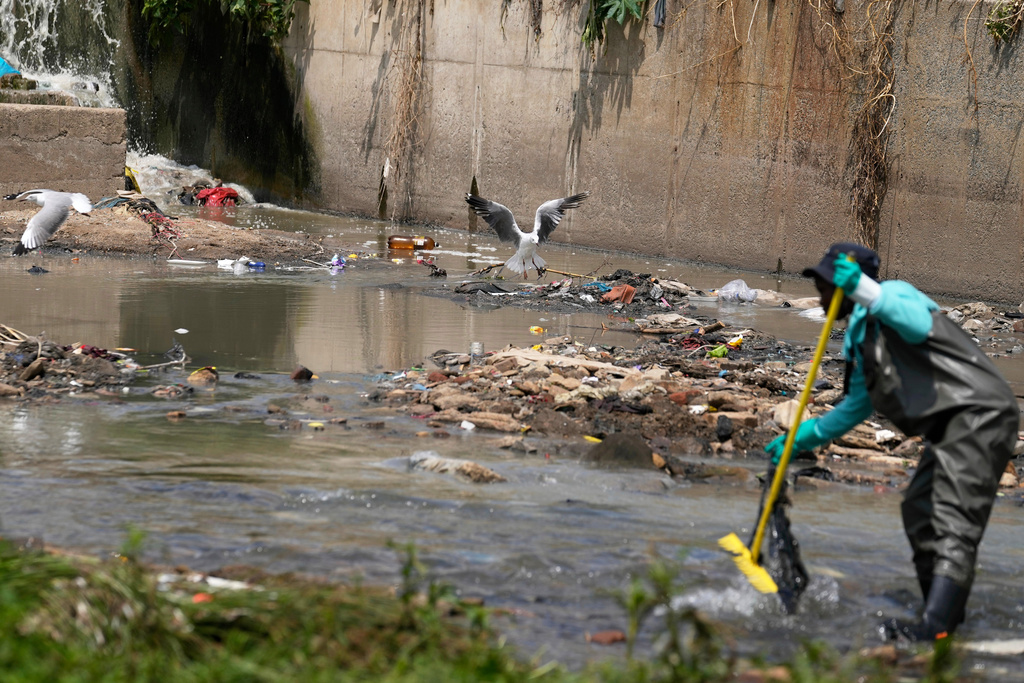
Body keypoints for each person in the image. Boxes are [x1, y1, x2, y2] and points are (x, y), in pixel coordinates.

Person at [765, 242, 1019, 641]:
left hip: (978, 415)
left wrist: (866, 290)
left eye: (830, 284)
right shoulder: (861, 335)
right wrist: (803, 437)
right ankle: (946, 615)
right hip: (951, 427)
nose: (822, 293)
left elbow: (915, 322)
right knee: (918, 510)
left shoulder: (894, 296)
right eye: (821, 284)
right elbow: (857, 406)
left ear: (854, 284)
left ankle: (934, 628)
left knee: (953, 519)